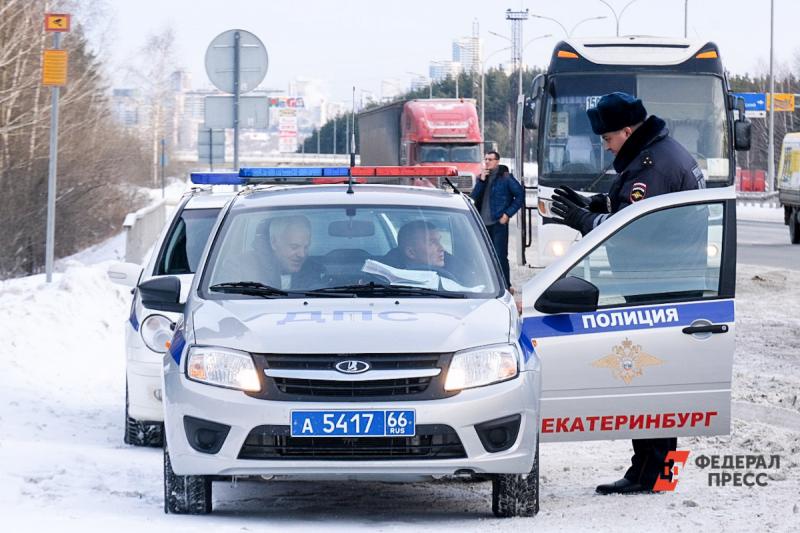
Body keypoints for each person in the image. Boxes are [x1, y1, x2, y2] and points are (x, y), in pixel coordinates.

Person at [550, 92, 705, 496]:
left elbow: (633, 231)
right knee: (653, 386)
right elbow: (631, 207)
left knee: (655, 386)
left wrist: (586, 219)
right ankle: (650, 472)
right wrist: (596, 202)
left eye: (608, 138)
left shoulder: (653, 165)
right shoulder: (655, 155)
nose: (606, 145)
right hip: (663, 282)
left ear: (627, 130)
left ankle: (657, 476)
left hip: (659, 286)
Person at [470, 151, 524, 290]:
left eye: (490, 159)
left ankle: (505, 285)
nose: (487, 162)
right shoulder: (482, 178)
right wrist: (481, 180)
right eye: (486, 159)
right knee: (482, 256)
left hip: (498, 223)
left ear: (497, 161)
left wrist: (507, 214)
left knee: (500, 256)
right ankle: (486, 285)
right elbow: (473, 197)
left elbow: (520, 196)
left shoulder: (505, 178)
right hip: (482, 224)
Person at [239, 215, 326, 290]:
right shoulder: (243, 268)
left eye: (306, 247)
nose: (302, 254)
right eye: (294, 247)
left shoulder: (312, 269)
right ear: (274, 243)